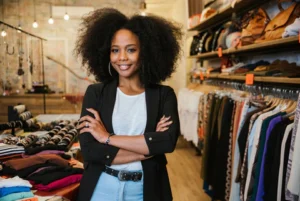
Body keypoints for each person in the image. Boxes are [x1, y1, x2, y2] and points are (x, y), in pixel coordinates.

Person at [75, 8, 182, 201]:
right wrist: (148, 149)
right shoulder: (96, 93)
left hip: (146, 189)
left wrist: (107, 137)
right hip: (101, 189)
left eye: (131, 49)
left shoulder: (163, 95)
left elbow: (167, 142)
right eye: (115, 50)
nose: (122, 57)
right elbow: (90, 151)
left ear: (146, 52)